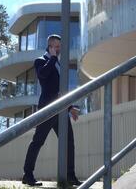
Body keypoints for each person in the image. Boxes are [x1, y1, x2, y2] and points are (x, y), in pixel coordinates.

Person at [22, 34, 82, 186]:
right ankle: (27, 175)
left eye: (60, 46)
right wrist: (53, 58)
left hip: (61, 109)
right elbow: (42, 75)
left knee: (69, 142)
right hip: (47, 109)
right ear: (49, 47)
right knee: (38, 141)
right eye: (56, 46)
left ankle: (70, 176)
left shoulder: (59, 65)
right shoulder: (41, 61)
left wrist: (70, 107)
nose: (59, 49)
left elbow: (59, 91)